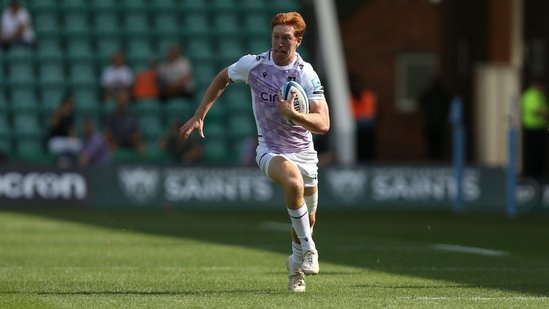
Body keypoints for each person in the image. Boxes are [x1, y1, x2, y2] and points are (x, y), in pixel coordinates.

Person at [179, 12, 329, 293]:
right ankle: (310, 249)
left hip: (305, 153)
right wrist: (200, 114)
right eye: (276, 37)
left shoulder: (306, 74)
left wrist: (294, 115)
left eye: (286, 38)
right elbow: (222, 77)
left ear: (297, 41)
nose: (279, 43)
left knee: (308, 219)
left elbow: (324, 124)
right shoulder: (255, 65)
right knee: (293, 182)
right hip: (269, 149)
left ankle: (295, 266)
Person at [521, 76, 549, 180]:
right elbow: (538, 112)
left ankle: (540, 177)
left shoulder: (541, 95)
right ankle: (530, 177)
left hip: (542, 129)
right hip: (532, 130)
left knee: (541, 155)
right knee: (532, 155)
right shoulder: (530, 95)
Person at [418, 75, 451, 161]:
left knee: (439, 145)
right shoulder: (429, 95)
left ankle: (438, 160)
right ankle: (433, 160)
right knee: (432, 145)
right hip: (431, 124)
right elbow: (421, 107)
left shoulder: (444, 95)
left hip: (440, 125)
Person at [47, 94, 81, 167]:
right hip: (55, 141)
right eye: (67, 105)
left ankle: (67, 161)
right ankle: (64, 160)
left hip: (66, 142)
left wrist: (73, 139)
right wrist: (59, 113)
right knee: (62, 146)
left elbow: (72, 134)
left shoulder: (70, 118)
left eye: (70, 106)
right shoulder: (57, 114)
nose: (69, 107)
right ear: (63, 105)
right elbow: (53, 124)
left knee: (78, 144)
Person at [349, 73, 377, 162]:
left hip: (368, 130)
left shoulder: (368, 96)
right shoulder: (349, 98)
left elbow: (376, 113)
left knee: (368, 153)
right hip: (355, 130)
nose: (356, 86)